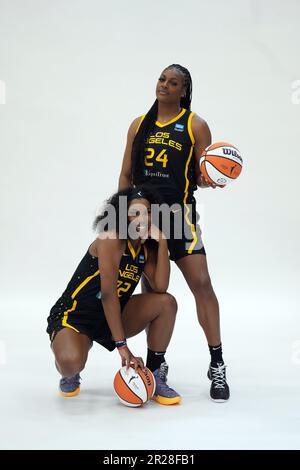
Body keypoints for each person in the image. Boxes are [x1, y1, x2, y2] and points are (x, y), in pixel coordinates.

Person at [118, 64, 230, 402]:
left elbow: (200, 175)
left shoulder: (196, 125)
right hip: (144, 220)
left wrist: (210, 178)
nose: (164, 85)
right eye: (162, 79)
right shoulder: (139, 124)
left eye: (173, 82)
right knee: (156, 294)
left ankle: (217, 362)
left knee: (202, 284)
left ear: (184, 90)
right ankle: (156, 365)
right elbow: (125, 175)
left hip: (179, 218)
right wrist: (125, 213)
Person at [46, 185, 181, 405]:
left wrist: (163, 242)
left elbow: (160, 286)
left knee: (166, 303)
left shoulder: (146, 247)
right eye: (134, 213)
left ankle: (155, 372)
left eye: (147, 212)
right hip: (76, 316)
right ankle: (71, 368)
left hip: (114, 316)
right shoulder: (110, 239)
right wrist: (123, 347)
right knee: (71, 361)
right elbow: (108, 294)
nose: (142, 219)